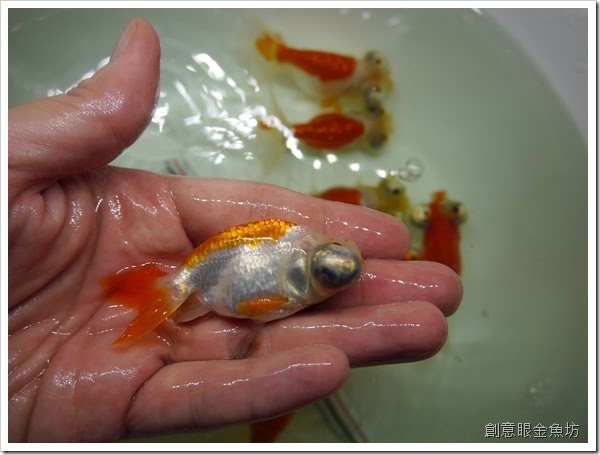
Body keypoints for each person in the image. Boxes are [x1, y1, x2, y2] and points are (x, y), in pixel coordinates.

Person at [7, 19, 462, 442]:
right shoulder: (289, 248)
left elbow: (256, 302)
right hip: (206, 274)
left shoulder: (292, 250)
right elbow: (252, 287)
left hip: (211, 280)